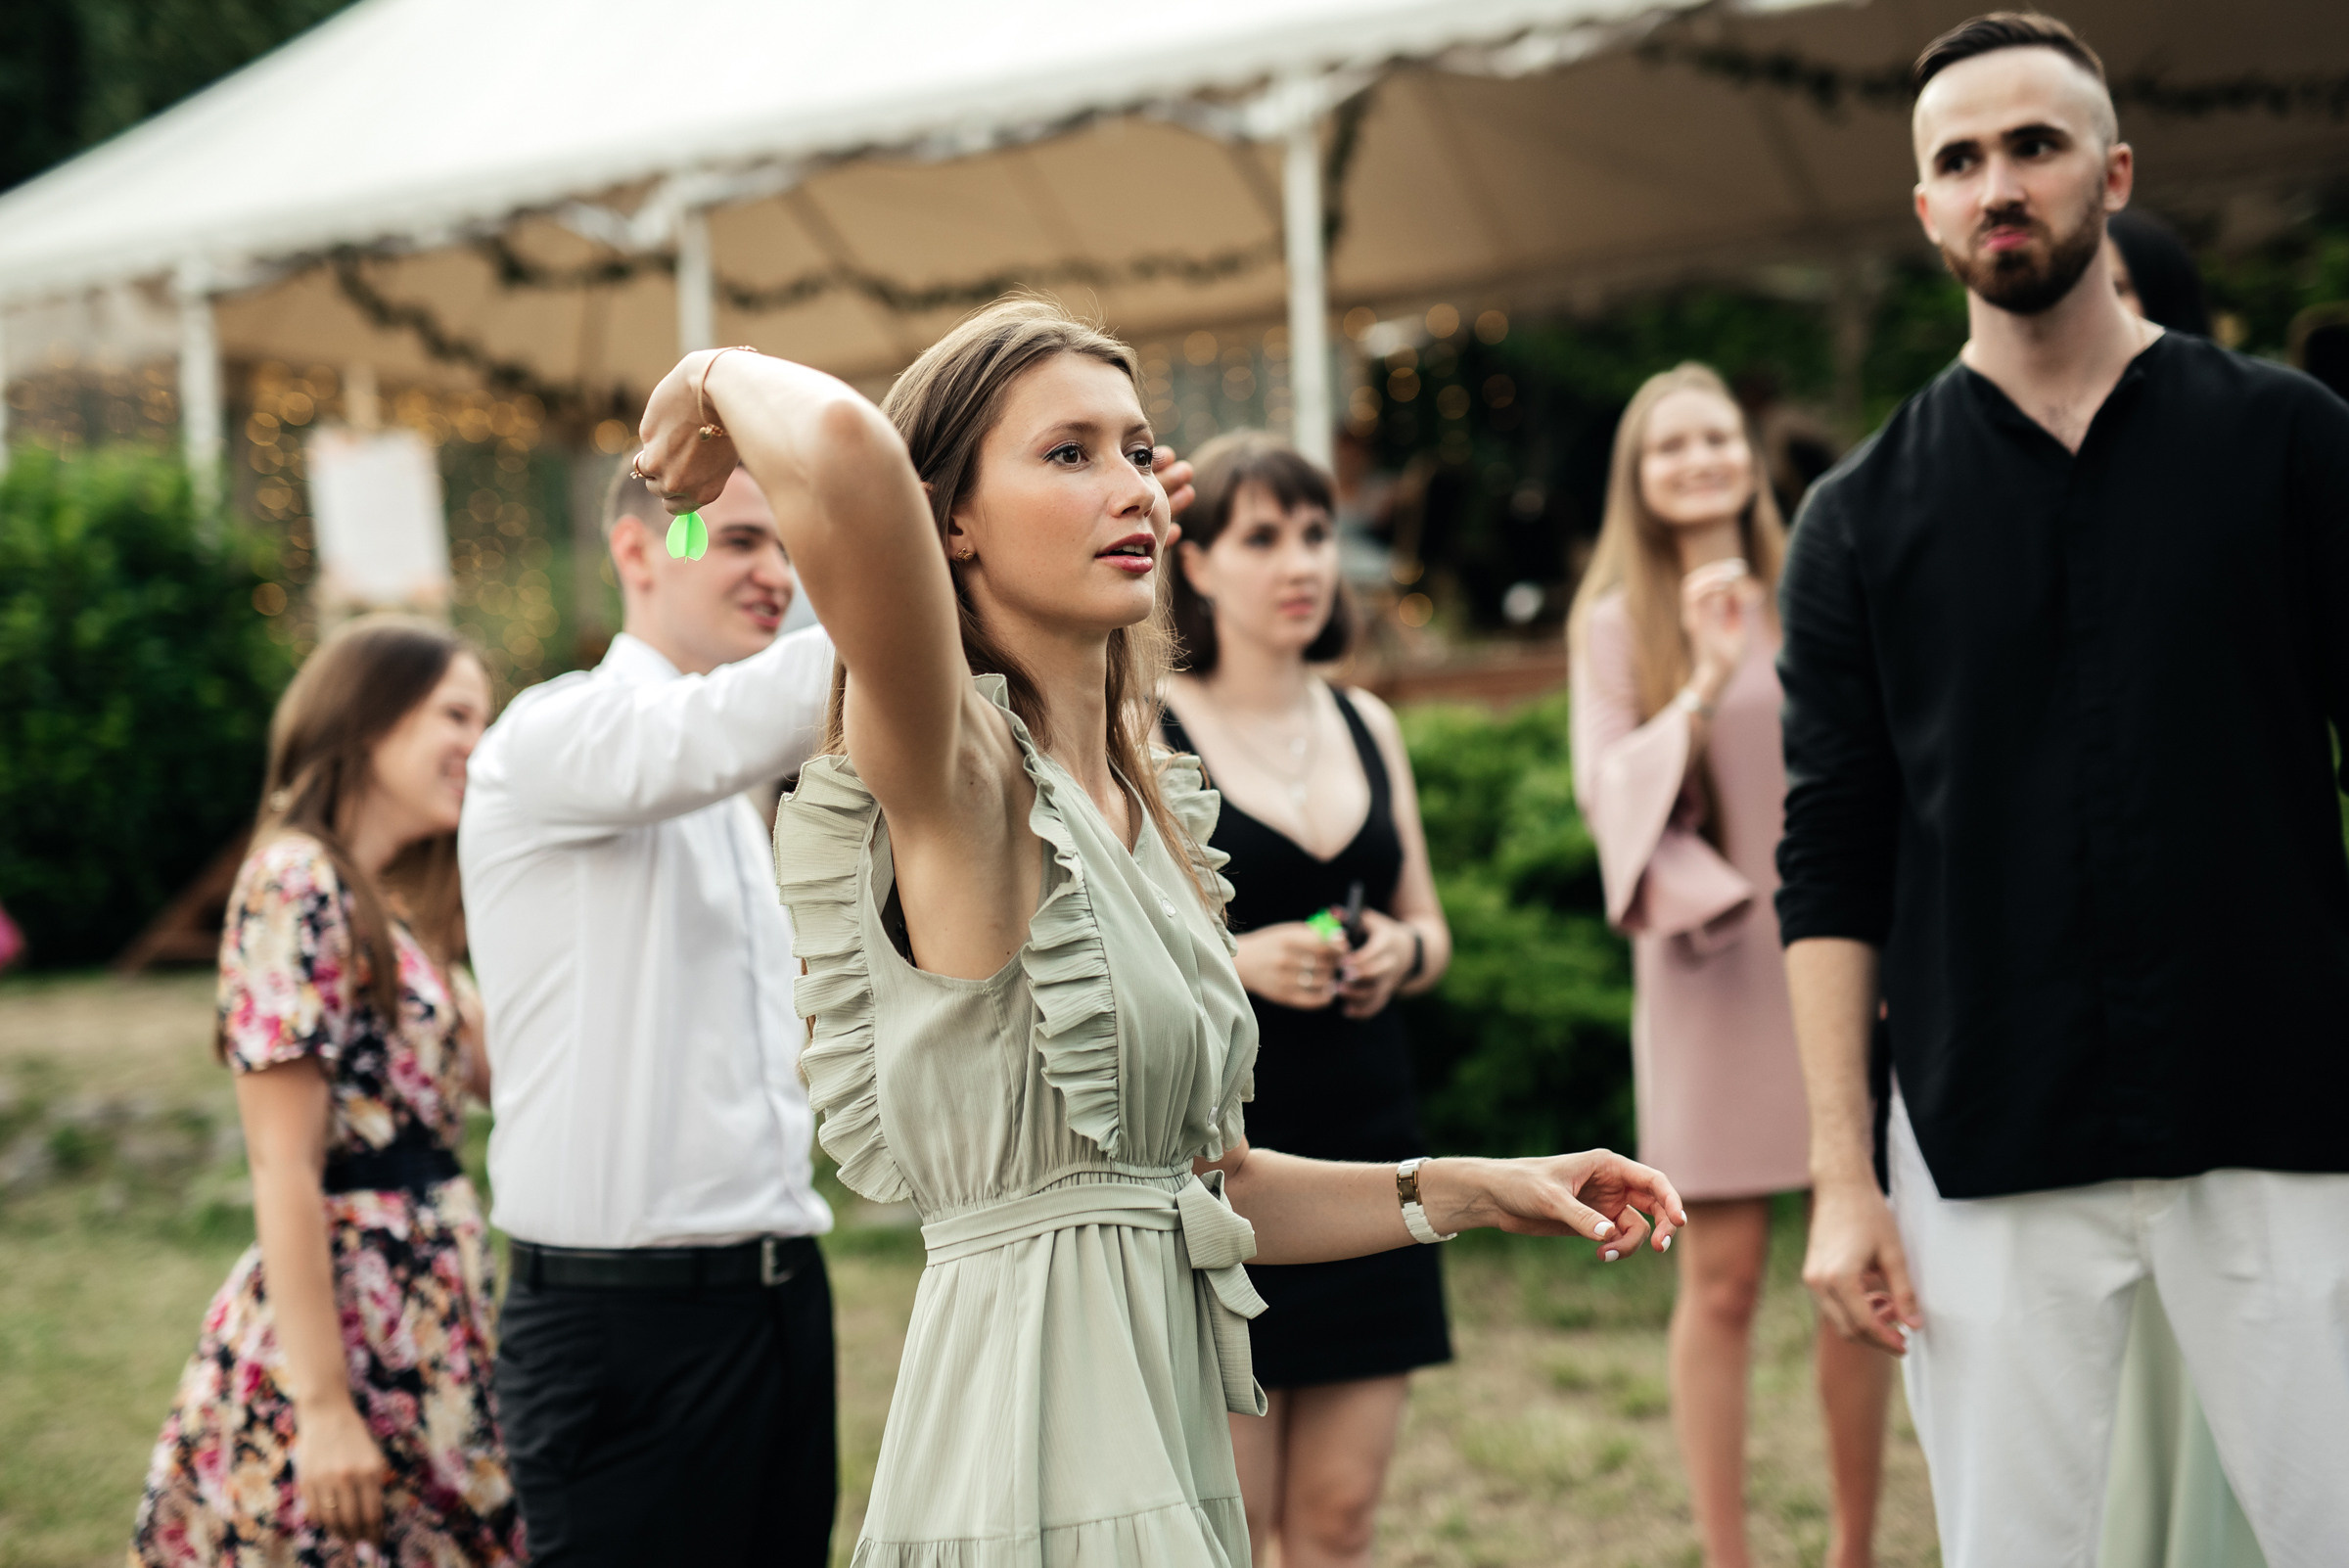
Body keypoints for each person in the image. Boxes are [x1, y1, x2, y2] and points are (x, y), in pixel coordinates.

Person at [627, 297, 1687, 1568]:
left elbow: (1206, 1186)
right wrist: (706, 378)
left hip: (1166, 1437)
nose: (1129, 484)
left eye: (1138, 450)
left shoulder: (1142, 805)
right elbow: (852, 456)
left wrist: (1472, 1189)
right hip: (1034, 1457)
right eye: (1067, 452)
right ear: (948, 518)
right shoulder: (964, 773)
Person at [1776, 15, 2349, 1568]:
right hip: (1986, 1126)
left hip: (2281, 1104)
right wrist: (1845, 1178)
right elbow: (1829, 859)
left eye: (2032, 146)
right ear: (1925, 212)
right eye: (1958, 161)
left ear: (2114, 170)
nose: (1997, 184)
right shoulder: (1855, 522)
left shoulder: (2289, 445)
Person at [456, 465, 837, 1566]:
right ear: (638, 551)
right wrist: (941, 569)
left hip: (778, 1306)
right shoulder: (551, 736)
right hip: (620, 1327)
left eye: (788, 550)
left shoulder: (738, 790)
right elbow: (710, 732)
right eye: (738, 543)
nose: (776, 575)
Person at [1567, 364, 1888, 1568]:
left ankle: (1856, 1544)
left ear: (1748, 458)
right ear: (1638, 482)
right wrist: (1699, 680)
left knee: (1850, 1256)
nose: (1698, 460)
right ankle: (1727, 1555)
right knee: (1723, 1277)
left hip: (1835, 950)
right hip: (1707, 970)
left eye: (1715, 438)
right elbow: (1609, 797)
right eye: (1669, 446)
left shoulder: (1815, 589)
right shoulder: (1613, 624)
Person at [130, 615, 520, 1566]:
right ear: (365, 718)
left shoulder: (381, 908)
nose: (479, 744)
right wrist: (324, 1409)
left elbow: (503, 1071)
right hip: (351, 1326)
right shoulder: (294, 884)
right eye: (455, 715)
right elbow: (282, 1164)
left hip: (428, 1310)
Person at [1157, 431, 1454, 1568]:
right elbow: (1118, 958)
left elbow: (1432, 929)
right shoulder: (1150, 733)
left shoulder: (1368, 724)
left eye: (1318, 535)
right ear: (1199, 564)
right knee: (1232, 1531)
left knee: (1340, 1525)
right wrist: (1240, 961)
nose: (1301, 563)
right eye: (1264, 536)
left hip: (1376, 1149)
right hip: (1235, 1163)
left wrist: (1397, 953)